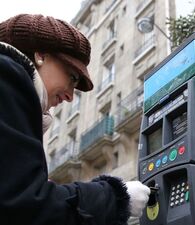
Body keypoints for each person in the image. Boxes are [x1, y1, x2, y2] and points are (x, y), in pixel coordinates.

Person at [0, 14, 150, 225]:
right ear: (41, 54)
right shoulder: (8, 77)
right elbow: (23, 205)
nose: (71, 95)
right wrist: (116, 197)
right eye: (71, 77)